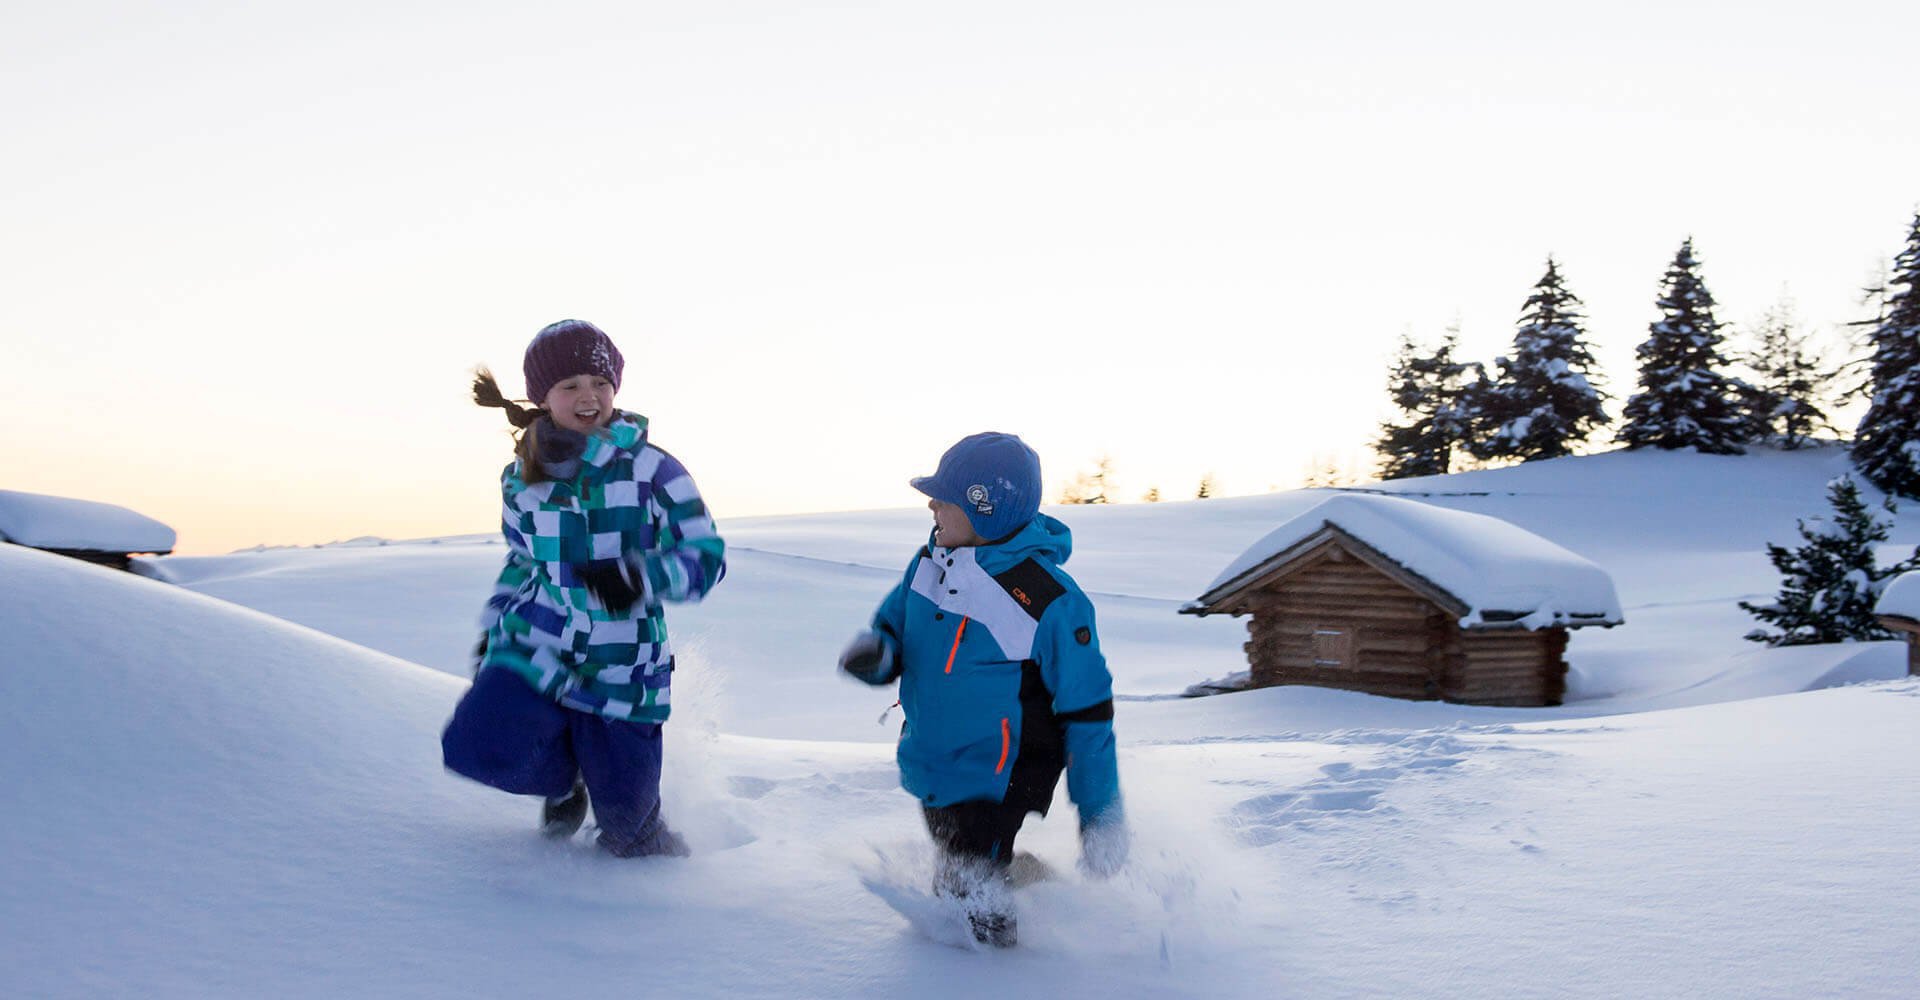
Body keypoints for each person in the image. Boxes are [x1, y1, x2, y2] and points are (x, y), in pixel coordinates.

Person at [442, 318, 726, 857]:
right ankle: (565, 779)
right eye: (570, 386)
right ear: (543, 398)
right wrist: (494, 625)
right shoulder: (520, 477)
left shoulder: (653, 471)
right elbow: (522, 560)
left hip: (622, 669)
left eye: (599, 383)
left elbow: (705, 558)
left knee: (628, 836)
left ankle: (669, 892)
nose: (588, 397)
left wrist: (638, 578)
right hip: (537, 646)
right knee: (475, 745)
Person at [839, 432, 1129, 947]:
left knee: (969, 891)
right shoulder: (929, 562)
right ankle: (1027, 880)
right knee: (960, 864)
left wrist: (1100, 814)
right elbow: (893, 628)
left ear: (985, 508)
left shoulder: (1049, 600)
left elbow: (1089, 712)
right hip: (935, 760)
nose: (931, 504)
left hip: (1003, 772)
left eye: (944, 496)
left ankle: (999, 971)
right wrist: (878, 655)